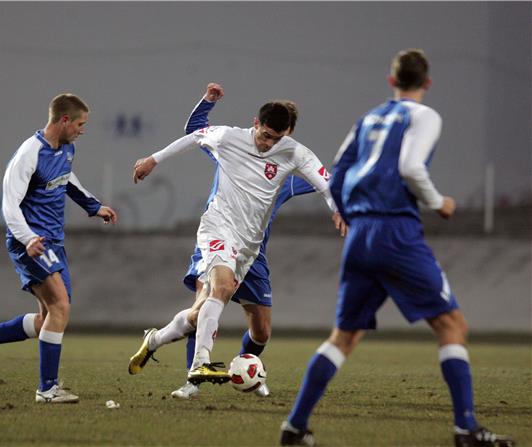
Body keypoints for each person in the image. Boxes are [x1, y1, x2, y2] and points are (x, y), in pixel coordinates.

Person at [279, 49, 514, 447]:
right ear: (427, 82)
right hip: (396, 232)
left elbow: (337, 174)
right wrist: (439, 203)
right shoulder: (424, 115)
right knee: (452, 325)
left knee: (344, 337)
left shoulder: (369, 118)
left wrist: (347, 215)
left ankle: (295, 427)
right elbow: (410, 167)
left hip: (360, 234)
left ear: (391, 81)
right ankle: (466, 428)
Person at [131, 96, 344, 388]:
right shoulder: (230, 137)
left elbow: (326, 184)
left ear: (288, 134)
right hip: (218, 226)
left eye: (276, 139)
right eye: (266, 135)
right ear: (256, 124)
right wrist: (153, 159)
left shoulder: (294, 153)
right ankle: (199, 367)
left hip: (249, 246)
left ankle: (154, 339)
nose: (268, 144)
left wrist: (337, 210)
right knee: (220, 287)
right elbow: (195, 135)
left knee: (207, 316)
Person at [0, 93, 118, 404]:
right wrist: (27, 238)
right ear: (64, 121)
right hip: (31, 243)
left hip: (52, 243)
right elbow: (10, 206)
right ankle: (47, 389)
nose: (82, 130)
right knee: (61, 307)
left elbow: (68, 180)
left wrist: (94, 206)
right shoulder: (28, 155)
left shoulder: (65, 149)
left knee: (49, 317)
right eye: (80, 123)